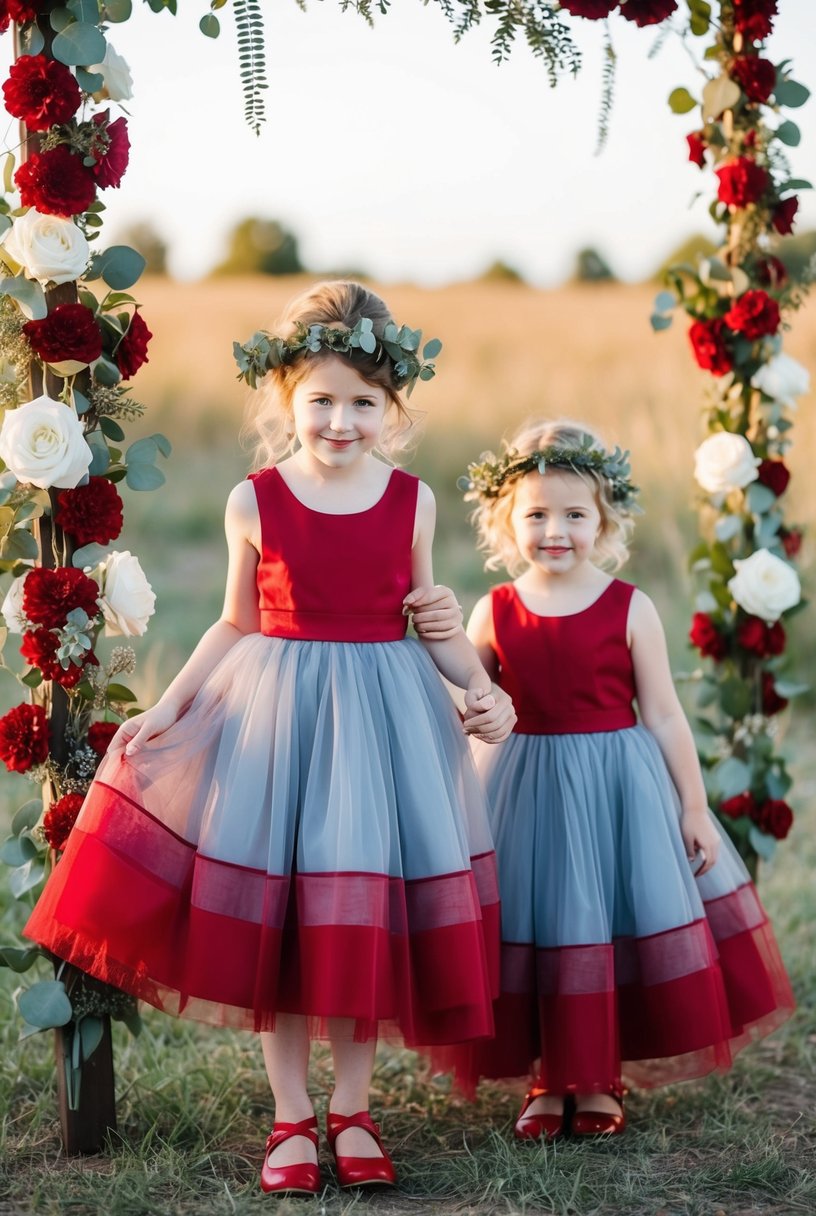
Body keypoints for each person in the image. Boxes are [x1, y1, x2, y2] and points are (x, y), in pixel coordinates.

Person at [25, 281, 515, 1194]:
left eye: (363, 403)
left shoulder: (412, 503)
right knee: (286, 925)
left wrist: (482, 691)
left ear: (392, 408)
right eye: (320, 399)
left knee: (355, 917)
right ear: (284, 394)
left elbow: (431, 619)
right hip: (278, 724)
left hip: (383, 728)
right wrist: (169, 707)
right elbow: (234, 624)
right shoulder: (255, 501)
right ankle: (293, 1116)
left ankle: (356, 1109)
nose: (340, 421)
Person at [448, 418, 795, 1137]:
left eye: (574, 514)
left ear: (603, 519)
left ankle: (597, 1075)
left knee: (602, 922)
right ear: (505, 520)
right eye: (536, 513)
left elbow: (664, 716)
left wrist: (693, 808)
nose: (555, 530)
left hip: (615, 786)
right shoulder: (495, 610)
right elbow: (473, 702)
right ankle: (546, 1077)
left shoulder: (628, 605)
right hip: (523, 785)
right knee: (537, 924)